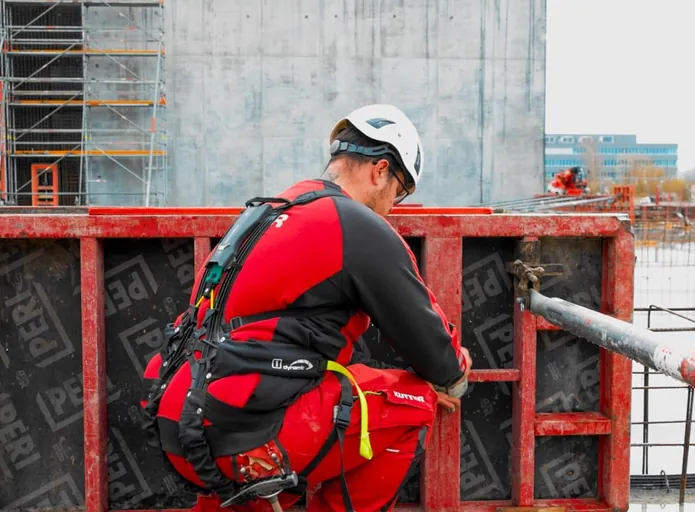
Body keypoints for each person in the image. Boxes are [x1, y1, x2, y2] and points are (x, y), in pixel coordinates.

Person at [140, 104, 473, 512]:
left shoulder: (269, 210)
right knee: (413, 400)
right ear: (381, 170)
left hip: (181, 425)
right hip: (242, 435)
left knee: (293, 393)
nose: (393, 206)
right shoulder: (356, 224)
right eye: (399, 192)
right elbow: (437, 358)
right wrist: (454, 371)